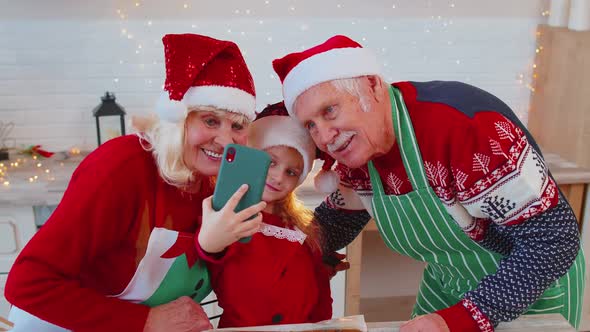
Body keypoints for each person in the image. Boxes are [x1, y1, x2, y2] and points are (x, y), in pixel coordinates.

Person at [271, 35, 584, 332]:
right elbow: (334, 225)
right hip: (448, 282)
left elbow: (553, 240)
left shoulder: (465, 129)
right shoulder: (361, 151)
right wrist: (277, 251)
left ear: (372, 86)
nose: (325, 137)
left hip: (529, 284)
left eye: (330, 111)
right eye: (311, 125)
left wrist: (465, 317)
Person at [4, 33, 266, 332]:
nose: (224, 139)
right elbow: (28, 283)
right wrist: (146, 321)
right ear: (179, 119)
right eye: (209, 121)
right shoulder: (123, 166)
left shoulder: (214, 181)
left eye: (237, 126)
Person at [196, 101, 333, 328]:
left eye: (291, 172)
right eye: (270, 163)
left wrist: (322, 325)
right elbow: (207, 253)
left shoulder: (302, 227)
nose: (279, 177)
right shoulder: (227, 214)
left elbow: (319, 287)